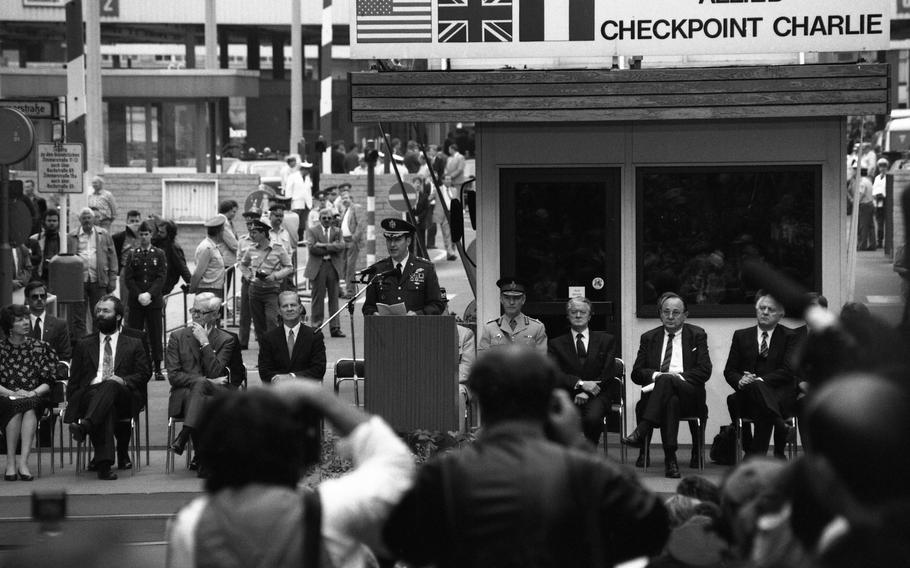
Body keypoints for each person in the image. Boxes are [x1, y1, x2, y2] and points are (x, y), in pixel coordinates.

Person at [383, 346, 670, 567]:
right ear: (552, 401)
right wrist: (577, 443)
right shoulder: (584, 471)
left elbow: (399, 543)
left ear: (480, 400)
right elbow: (654, 528)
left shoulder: (443, 475)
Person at [167, 377, 415, 568]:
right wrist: (316, 395)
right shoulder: (329, 512)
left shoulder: (188, 525)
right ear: (298, 451)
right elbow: (394, 462)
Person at [622, 292, 713, 478]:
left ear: (685, 315)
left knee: (668, 382)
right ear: (660, 314)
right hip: (662, 397)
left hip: (689, 395)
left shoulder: (697, 335)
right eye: (666, 312)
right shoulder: (649, 337)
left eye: (676, 312)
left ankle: (643, 429)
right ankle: (670, 460)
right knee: (670, 401)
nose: (670, 317)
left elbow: (704, 371)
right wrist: (658, 375)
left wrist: (674, 378)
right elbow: (636, 373)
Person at [66, 296, 151, 480]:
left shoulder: (133, 342)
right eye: (98, 311)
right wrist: (72, 401)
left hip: (123, 395)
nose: (100, 315)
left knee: (111, 383)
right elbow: (75, 379)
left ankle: (87, 427)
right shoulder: (83, 344)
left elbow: (144, 374)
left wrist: (123, 381)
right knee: (105, 408)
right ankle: (104, 466)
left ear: (118, 316)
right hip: (91, 396)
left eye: (106, 311)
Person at [166, 293, 238, 465]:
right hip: (185, 395)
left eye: (201, 312)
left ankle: (186, 437)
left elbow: (216, 372)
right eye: (193, 310)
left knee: (204, 396)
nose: (195, 315)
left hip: (216, 393)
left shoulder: (226, 339)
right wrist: (205, 381)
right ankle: (205, 459)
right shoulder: (177, 337)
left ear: (215, 314)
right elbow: (174, 376)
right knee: (203, 401)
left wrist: (205, 343)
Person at [724, 291, 797, 458]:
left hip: (779, 395)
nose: (765, 312)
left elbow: (788, 371)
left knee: (760, 403)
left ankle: (753, 455)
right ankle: (778, 431)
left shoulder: (790, 336)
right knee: (737, 399)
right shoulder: (741, 336)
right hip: (749, 396)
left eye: (770, 309)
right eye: (762, 308)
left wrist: (758, 381)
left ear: (781, 314)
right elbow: (730, 371)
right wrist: (741, 380)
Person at [547, 296, 618, 446]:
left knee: (592, 418)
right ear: (568, 315)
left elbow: (608, 373)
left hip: (598, 393)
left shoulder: (606, 340)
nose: (578, 315)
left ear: (590, 315)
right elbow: (555, 374)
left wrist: (587, 392)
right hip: (568, 392)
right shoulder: (556, 344)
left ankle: (590, 450)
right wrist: (580, 384)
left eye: (582, 312)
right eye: (574, 312)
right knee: (552, 416)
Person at [0, 304, 57, 481]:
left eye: (26, 318)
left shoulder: (41, 347)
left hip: (35, 396)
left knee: (29, 405)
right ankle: (10, 461)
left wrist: (32, 392)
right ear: (9, 326)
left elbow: (50, 380)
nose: (25, 322)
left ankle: (23, 462)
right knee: (14, 405)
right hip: (3, 397)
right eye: (19, 320)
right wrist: (11, 392)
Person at [362, 218, 444, 316]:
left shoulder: (425, 268)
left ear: (408, 241)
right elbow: (368, 306)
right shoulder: (377, 270)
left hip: (417, 328)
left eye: (397, 240)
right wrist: (374, 313)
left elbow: (437, 305)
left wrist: (418, 314)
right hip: (386, 328)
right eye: (389, 240)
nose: (392, 244)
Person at [123, 220, 168, 382]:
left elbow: (161, 276)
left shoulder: (159, 254)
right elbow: (128, 278)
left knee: (155, 334)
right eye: (141, 234)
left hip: (153, 301)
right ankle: (136, 366)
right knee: (135, 335)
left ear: (151, 235)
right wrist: (138, 295)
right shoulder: (132, 254)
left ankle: (157, 368)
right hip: (136, 302)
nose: (144, 237)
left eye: (146, 234)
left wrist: (150, 294)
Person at [240, 220, 293, 343]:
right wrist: (248, 275)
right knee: (258, 323)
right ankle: (264, 348)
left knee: (271, 320)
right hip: (255, 290)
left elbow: (289, 267)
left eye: (254, 232)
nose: (251, 235)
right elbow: (242, 265)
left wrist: (275, 276)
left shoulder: (278, 248)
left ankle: (275, 346)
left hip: (272, 291)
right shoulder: (251, 249)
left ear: (263, 233)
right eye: (250, 232)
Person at [68, 207, 118, 336]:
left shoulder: (104, 234)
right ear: (80, 220)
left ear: (94, 219)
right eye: (84, 218)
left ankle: (98, 342)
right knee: (78, 316)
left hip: (99, 280)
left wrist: (112, 278)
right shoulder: (72, 236)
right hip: (78, 282)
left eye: (89, 217)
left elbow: (112, 257)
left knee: (100, 314)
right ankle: (81, 344)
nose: (87, 221)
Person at [258, 291, 327, 384]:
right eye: (285, 306)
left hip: (306, 391)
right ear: (279, 310)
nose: (289, 309)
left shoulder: (314, 336)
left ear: (300, 308)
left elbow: (319, 369)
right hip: (277, 392)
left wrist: (292, 377)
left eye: (293, 305)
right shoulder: (268, 338)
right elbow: (264, 371)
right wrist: (277, 380)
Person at [304, 208, 346, 337]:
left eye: (329, 218)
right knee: (318, 298)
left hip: (332, 267)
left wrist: (322, 245)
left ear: (332, 219)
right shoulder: (312, 231)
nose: (327, 220)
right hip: (319, 266)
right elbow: (312, 248)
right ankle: (316, 326)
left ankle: (335, 327)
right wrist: (331, 247)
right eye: (324, 218)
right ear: (320, 219)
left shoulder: (337, 231)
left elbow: (341, 246)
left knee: (334, 297)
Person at [478, 277, 547, 352]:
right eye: (507, 298)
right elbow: (483, 360)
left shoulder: (536, 328)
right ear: (501, 299)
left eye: (516, 298)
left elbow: (541, 361)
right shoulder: (490, 328)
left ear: (523, 299)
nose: (511, 302)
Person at [24, 280, 71, 371]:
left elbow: (65, 356)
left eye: (43, 296)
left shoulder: (60, 324)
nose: (39, 299)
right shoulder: (19, 323)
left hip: (51, 375)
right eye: (34, 297)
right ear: (27, 300)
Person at [113, 210, 143, 318]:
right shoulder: (119, 237)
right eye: (132, 221)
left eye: (137, 221)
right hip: (126, 271)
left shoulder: (144, 236)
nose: (134, 223)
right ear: (127, 221)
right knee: (126, 304)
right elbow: (114, 255)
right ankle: (126, 329)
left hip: (142, 272)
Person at [338, 186, 366, 299]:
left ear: (351, 198)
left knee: (350, 267)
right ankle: (350, 290)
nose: (344, 200)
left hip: (352, 241)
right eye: (342, 198)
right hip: (344, 242)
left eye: (346, 198)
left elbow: (361, 224)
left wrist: (354, 238)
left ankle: (351, 292)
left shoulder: (356, 208)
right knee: (344, 267)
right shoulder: (345, 210)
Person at [190, 216, 226, 298]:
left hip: (214, 289)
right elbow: (197, 273)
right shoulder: (207, 248)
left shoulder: (213, 246)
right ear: (219, 232)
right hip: (208, 290)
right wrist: (192, 288)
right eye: (223, 230)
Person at [28, 209, 61, 283]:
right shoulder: (34, 239)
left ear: (59, 222)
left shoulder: (65, 239)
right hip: (40, 276)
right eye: (49, 220)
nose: (52, 223)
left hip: (60, 275)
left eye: (54, 221)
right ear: (44, 222)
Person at [217, 200, 240, 298]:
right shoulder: (223, 222)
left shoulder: (226, 221)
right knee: (224, 289)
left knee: (224, 288)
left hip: (226, 260)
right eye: (233, 212)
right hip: (225, 261)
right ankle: (222, 311)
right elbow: (233, 243)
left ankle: (223, 310)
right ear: (228, 210)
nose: (234, 214)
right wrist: (243, 251)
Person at [872, 157, 888, 249]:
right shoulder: (877, 178)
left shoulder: (888, 177)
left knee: (886, 223)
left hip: (885, 202)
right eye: (881, 166)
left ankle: (887, 241)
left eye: (884, 166)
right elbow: (874, 189)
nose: (882, 168)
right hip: (877, 203)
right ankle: (880, 241)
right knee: (879, 224)